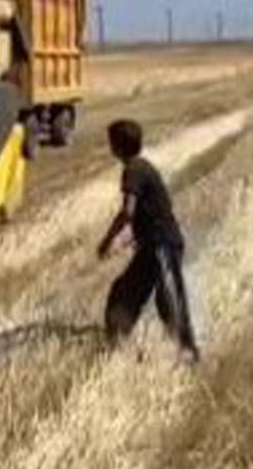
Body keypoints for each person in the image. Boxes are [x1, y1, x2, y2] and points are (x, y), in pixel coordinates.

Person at [96, 119, 201, 362]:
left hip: (163, 242)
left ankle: (187, 353)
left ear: (118, 145)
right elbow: (147, 213)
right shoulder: (141, 167)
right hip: (153, 243)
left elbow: (128, 212)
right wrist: (124, 240)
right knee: (123, 292)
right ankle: (118, 343)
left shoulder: (133, 170)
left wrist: (108, 239)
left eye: (111, 141)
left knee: (169, 300)